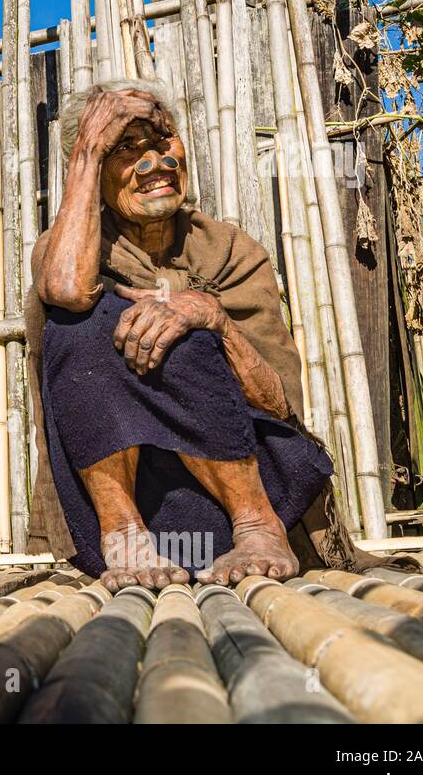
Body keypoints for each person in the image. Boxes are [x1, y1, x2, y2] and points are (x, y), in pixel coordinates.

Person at [23, 79, 341, 594]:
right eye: (125, 149)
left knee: (188, 329)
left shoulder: (229, 250)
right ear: (94, 168)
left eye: (163, 140)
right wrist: (85, 150)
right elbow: (64, 287)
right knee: (78, 320)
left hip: (250, 494)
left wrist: (213, 318)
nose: (155, 163)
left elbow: (280, 406)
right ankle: (125, 534)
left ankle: (257, 527)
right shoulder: (69, 252)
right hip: (138, 520)